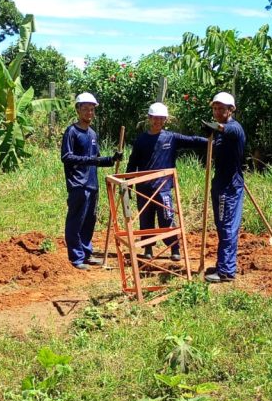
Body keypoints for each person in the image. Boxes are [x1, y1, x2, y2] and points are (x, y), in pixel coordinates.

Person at [125, 102, 209, 261]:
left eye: (161, 119)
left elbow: (192, 140)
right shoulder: (141, 140)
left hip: (163, 188)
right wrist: (128, 184)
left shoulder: (171, 138)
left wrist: (211, 140)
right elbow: (132, 163)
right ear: (149, 118)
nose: (158, 121)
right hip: (143, 188)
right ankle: (148, 248)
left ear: (165, 120)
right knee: (145, 220)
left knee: (167, 218)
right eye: (155, 118)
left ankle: (174, 248)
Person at [61, 92, 122, 270]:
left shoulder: (93, 133)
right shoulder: (71, 132)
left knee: (90, 220)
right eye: (85, 109)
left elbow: (96, 158)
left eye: (92, 109)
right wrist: (95, 160)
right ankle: (76, 257)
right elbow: (67, 157)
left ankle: (86, 253)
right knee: (76, 220)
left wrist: (111, 159)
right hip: (78, 184)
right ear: (78, 110)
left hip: (92, 183)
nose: (89, 112)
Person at [201, 92, 246, 283]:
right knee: (223, 225)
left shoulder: (234, 128)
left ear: (231, 110)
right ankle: (224, 264)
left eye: (221, 108)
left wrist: (216, 127)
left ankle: (226, 271)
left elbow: (230, 131)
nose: (217, 112)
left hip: (229, 186)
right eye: (215, 108)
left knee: (227, 226)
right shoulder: (221, 132)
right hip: (220, 182)